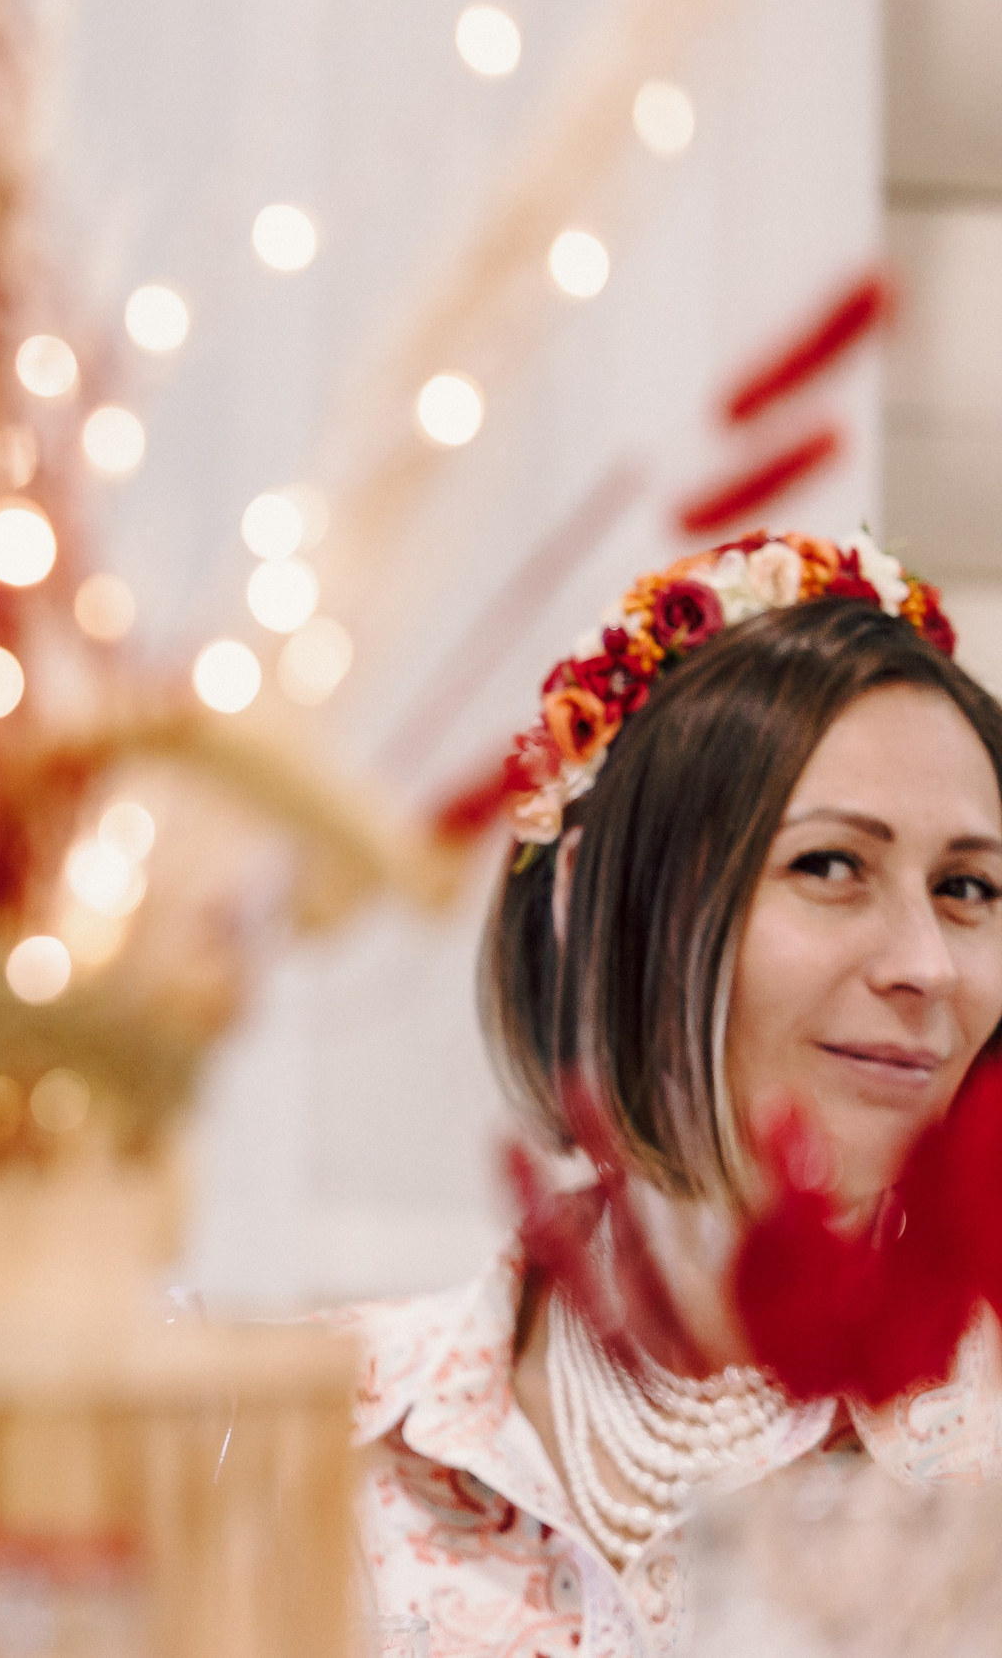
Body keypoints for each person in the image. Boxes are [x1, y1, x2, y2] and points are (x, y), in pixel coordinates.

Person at [341, 531, 1002, 1656]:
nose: (926, 964)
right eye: (831, 865)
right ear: (605, 911)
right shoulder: (326, 1427)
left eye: (966, 887)